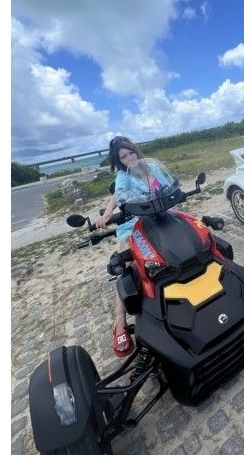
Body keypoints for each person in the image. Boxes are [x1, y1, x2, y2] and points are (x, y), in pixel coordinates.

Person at [94, 135, 151, 357]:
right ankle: (120, 322)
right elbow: (118, 196)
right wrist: (108, 214)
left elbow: (160, 185)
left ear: (136, 151)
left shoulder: (147, 168)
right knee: (125, 266)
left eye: (130, 153)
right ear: (119, 161)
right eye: (123, 157)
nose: (128, 158)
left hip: (155, 215)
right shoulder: (122, 176)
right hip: (132, 223)